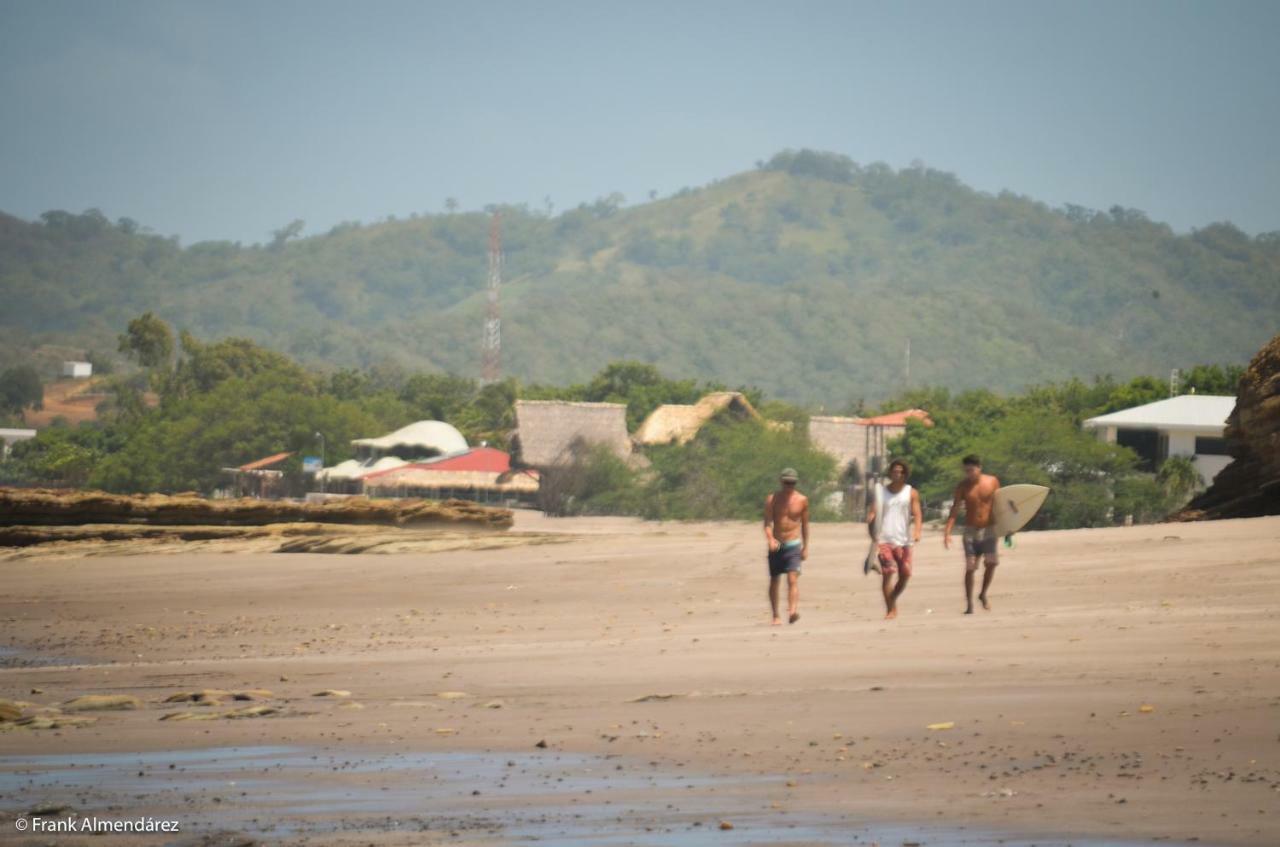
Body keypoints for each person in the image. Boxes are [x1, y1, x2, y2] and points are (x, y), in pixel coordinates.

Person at [943, 454, 1001, 614]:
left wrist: (1008, 528)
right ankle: (969, 604)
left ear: (979, 468)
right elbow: (955, 508)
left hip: (989, 529)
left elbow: (1001, 505)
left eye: (972, 470)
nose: (969, 473)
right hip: (970, 531)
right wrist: (947, 531)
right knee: (970, 567)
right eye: (966, 471)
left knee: (992, 562)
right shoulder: (962, 486)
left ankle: (982, 593)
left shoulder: (992, 481)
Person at [866, 459, 923, 620]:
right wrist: (871, 527)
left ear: (905, 474)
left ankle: (891, 599)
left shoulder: (911, 492)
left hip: (904, 540)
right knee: (889, 572)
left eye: (900, 471)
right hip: (884, 539)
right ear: (890, 473)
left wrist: (917, 531)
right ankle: (891, 609)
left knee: (905, 574)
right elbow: (872, 513)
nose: (897, 474)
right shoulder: (881, 492)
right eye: (894, 471)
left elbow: (917, 514)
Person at [763, 467, 809, 626]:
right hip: (777, 545)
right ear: (781, 481)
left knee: (792, 578)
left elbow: (805, 525)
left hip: (794, 544)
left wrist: (806, 547)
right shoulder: (772, 499)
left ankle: (792, 611)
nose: (789, 486)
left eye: (792, 483)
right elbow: (768, 523)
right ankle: (776, 615)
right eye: (787, 483)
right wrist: (770, 539)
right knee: (774, 580)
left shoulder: (802, 500)